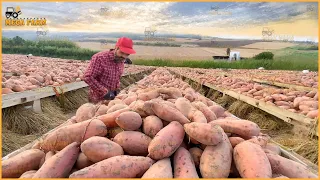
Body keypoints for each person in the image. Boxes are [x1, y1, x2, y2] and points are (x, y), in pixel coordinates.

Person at [83, 37, 136, 104]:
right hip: (98, 98)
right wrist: (104, 91)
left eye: (127, 54)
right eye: (122, 52)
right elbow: (88, 77)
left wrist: (116, 90)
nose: (124, 56)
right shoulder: (100, 58)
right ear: (116, 47)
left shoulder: (121, 60)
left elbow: (116, 78)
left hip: (112, 96)